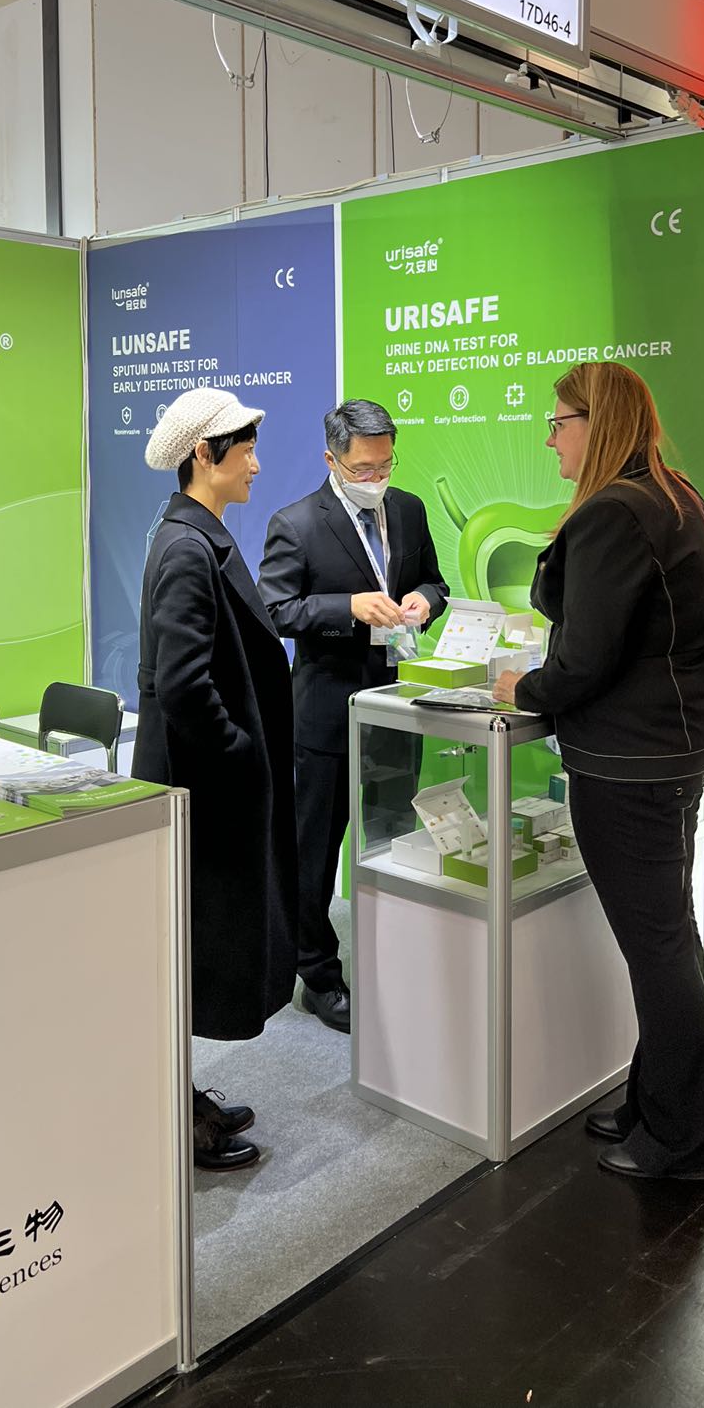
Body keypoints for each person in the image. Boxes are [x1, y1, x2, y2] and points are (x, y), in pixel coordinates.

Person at [492, 362, 704, 1182]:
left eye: (559, 422)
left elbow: (585, 659)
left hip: (630, 762)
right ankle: (657, 1100)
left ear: (597, 424)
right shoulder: (675, 495)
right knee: (669, 935)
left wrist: (523, 688)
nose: (551, 439)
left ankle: (687, 1139)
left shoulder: (611, 513)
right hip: (677, 749)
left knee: (658, 946)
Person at [133, 387, 298, 1172]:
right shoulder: (187, 550)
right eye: (247, 449)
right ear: (205, 454)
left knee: (191, 956)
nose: (257, 465)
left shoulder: (196, 539)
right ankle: (174, 1117)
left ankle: (180, 1099)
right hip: (202, 792)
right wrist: (241, 756)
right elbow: (183, 684)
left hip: (206, 787)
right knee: (188, 959)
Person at [259, 399, 449, 1032]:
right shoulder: (296, 524)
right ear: (332, 460)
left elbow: (436, 581)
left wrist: (424, 600)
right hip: (327, 716)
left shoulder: (409, 509)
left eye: (385, 465)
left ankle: (389, 957)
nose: (376, 479)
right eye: (363, 469)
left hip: (396, 707)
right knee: (315, 851)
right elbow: (276, 610)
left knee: (393, 838)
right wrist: (348, 608)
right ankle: (317, 974)